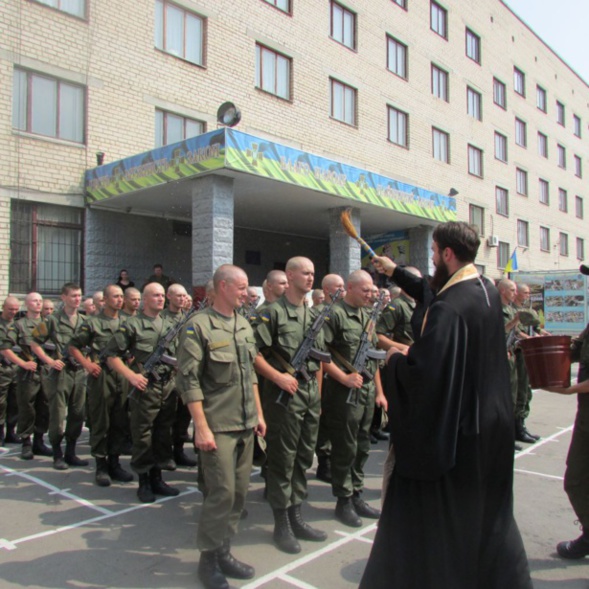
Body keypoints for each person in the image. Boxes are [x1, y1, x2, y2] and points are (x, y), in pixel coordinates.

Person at [360, 221, 532, 589]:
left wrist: (393, 362)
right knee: (490, 517)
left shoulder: (449, 310)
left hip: (461, 432)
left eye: (435, 252)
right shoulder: (484, 289)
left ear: (448, 254)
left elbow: (425, 374)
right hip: (494, 427)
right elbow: (432, 290)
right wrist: (397, 273)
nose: (433, 257)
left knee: (449, 523)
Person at [176, 264, 266, 589]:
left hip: (244, 423)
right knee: (221, 493)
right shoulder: (198, 326)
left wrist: (259, 414)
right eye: (242, 288)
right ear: (224, 286)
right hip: (217, 426)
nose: (247, 293)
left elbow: (250, 373)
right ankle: (209, 559)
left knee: (240, 493)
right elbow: (188, 380)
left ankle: (224, 551)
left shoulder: (243, 324)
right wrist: (200, 427)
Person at [254, 256, 328, 554]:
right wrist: (278, 377)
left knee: (304, 456)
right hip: (283, 397)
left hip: (309, 393)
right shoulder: (271, 314)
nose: (311, 278)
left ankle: (297, 515)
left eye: (313, 273)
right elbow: (253, 354)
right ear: (290, 275)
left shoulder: (314, 316)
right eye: (305, 273)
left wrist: (319, 396)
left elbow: (322, 359)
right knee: (283, 459)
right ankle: (281, 523)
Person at [321, 270, 388, 527]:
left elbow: (373, 357)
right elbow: (321, 354)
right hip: (344, 392)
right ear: (350, 287)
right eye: (365, 290)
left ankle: (357, 493)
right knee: (345, 447)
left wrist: (380, 392)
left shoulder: (367, 316)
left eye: (372, 291)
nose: (370, 295)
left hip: (367, 391)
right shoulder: (335, 314)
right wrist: (343, 377)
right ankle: (344, 500)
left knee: (362, 446)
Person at [104, 282, 179, 502]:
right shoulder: (132, 325)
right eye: (155, 295)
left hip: (167, 387)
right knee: (143, 435)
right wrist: (131, 376)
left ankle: (158, 478)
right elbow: (111, 355)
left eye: (163, 295)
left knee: (162, 433)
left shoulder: (170, 324)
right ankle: (144, 481)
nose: (161, 299)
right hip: (145, 388)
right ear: (145, 299)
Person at [68, 285, 133, 487]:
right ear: (104, 299)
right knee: (101, 420)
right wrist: (87, 364)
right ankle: (101, 465)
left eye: (122, 296)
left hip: (121, 376)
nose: (119, 300)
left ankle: (115, 463)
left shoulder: (127, 322)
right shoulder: (93, 323)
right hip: (101, 374)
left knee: (119, 420)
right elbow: (73, 346)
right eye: (115, 296)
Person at [31, 283, 88, 470]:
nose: (77, 299)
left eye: (79, 296)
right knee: (57, 414)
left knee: (78, 413)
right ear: (63, 297)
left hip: (79, 372)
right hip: (60, 373)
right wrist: (49, 360)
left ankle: (71, 452)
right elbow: (34, 342)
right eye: (73, 296)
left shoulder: (84, 320)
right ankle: (57, 454)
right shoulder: (52, 320)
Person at [545, 322, 589, 559]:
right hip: (586, 419)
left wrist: (571, 389)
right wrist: (545, 349)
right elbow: (574, 351)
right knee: (576, 479)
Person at [0, 293, 50, 459]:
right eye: (35, 301)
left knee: (44, 407)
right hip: (27, 374)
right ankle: (26, 442)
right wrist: (22, 364)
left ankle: (39, 441)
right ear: (27, 304)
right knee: (27, 407)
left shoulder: (47, 324)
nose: (38, 304)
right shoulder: (19, 325)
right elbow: (5, 347)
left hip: (46, 373)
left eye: (40, 301)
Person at [313, 273, 345, 484]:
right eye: (339, 286)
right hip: (323, 372)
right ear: (327, 290)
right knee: (324, 420)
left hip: (338, 374)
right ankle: (324, 462)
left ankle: (332, 459)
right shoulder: (318, 313)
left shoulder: (342, 311)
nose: (343, 290)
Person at [163, 283, 197, 469]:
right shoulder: (162, 318)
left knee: (183, 416)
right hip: (167, 375)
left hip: (185, 374)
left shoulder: (189, 319)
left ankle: (179, 450)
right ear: (169, 296)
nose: (182, 299)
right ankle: (166, 453)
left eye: (184, 296)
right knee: (168, 415)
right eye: (178, 295)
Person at [512, 283, 543, 443]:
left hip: (528, 353)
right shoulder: (511, 310)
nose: (527, 296)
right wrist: (529, 339)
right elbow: (516, 331)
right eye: (525, 292)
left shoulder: (528, 310)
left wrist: (542, 334)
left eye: (529, 293)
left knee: (527, 390)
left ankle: (521, 424)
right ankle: (517, 428)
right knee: (520, 391)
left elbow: (535, 328)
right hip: (519, 352)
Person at [0, 296, 22, 445]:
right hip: (2, 369)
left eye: (16, 309)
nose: (13, 312)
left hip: (16, 369)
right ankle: (0, 433)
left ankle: (11, 432)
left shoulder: (18, 325)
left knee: (15, 402)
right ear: (3, 307)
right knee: (1, 403)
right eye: (10, 309)